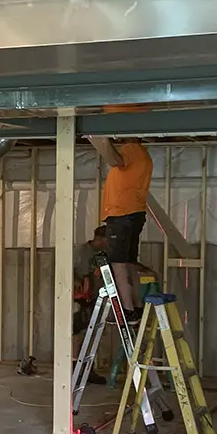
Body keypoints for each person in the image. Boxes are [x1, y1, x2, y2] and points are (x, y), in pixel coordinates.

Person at [91, 136, 153, 323]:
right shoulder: (144, 155)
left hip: (121, 214)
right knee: (129, 263)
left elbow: (115, 160)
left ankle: (127, 311)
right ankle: (137, 307)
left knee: (118, 264)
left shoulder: (131, 149)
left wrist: (101, 141)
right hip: (134, 213)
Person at [72, 226, 109, 384]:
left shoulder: (103, 254)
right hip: (79, 299)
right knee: (77, 333)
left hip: (95, 298)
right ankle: (74, 368)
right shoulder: (81, 251)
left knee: (92, 333)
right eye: (107, 240)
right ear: (99, 238)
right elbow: (66, 268)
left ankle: (88, 369)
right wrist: (78, 281)